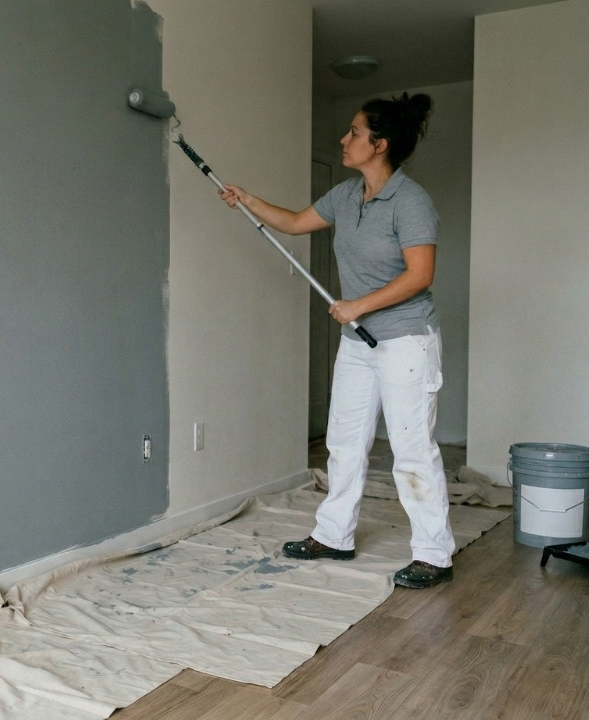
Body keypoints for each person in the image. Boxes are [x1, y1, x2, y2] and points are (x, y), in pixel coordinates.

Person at [219, 92, 455, 589]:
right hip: (358, 342)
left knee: (412, 449)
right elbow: (296, 223)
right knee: (345, 443)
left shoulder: (411, 202)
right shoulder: (347, 196)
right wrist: (248, 199)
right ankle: (333, 535)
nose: (344, 140)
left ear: (380, 144)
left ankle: (434, 554)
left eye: (354, 133)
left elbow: (420, 275)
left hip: (406, 341)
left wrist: (358, 305)